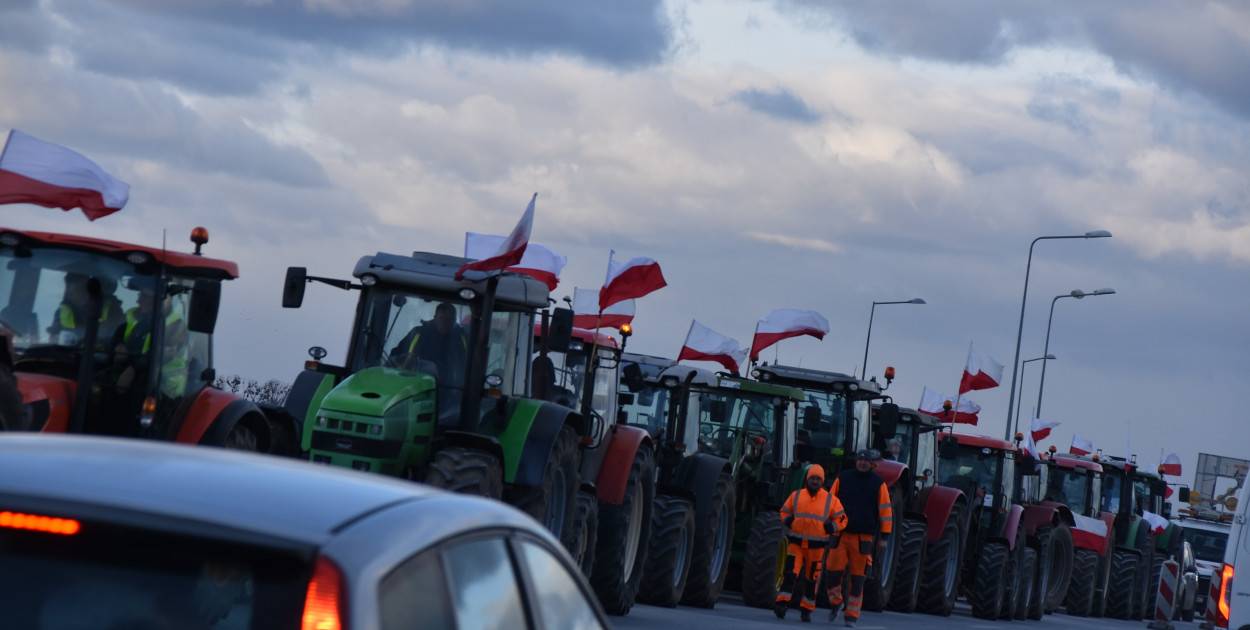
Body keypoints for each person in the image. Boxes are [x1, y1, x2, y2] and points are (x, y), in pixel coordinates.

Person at [826, 449, 894, 627]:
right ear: (856, 461)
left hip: (863, 539)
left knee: (858, 579)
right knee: (831, 572)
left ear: (871, 464)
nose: (862, 462)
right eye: (860, 459)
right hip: (839, 535)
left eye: (866, 460)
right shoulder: (843, 478)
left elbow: (886, 512)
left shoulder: (879, 484)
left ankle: (852, 615)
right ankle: (836, 602)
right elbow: (830, 503)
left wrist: (884, 536)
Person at [774, 464, 847, 622]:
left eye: (818, 479)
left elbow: (842, 519)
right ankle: (781, 604)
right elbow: (784, 510)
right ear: (807, 479)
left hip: (817, 547)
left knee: (811, 580)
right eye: (812, 478)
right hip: (796, 543)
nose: (815, 481)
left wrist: (831, 527)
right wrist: (788, 520)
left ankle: (806, 610)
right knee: (790, 574)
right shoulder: (796, 495)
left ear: (822, 481)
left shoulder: (831, 500)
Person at [390, 302, 468, 385]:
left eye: (451, 319)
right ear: (435, 318)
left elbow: (469, 364)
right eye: (442, 319)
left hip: (452, 387)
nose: (447, 323)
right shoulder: (418, 334)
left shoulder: (462, 338)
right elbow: (396, 355)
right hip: (417, 383)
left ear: (455, 320)